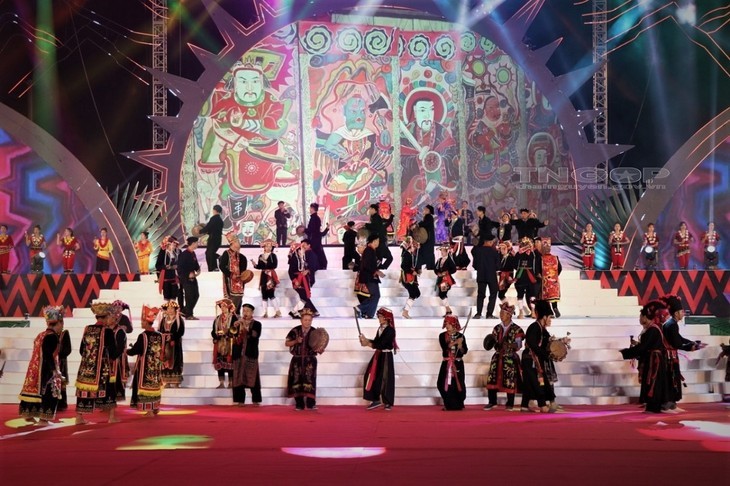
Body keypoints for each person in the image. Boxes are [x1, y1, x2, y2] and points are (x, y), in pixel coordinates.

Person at [619, 301, 671, 413]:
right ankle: (653, 406)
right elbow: (645, 346)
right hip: (653, 358)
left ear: (645, 317)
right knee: (652, 382)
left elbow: (643, 347)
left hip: (654, 361)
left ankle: (653, 407)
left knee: (652, 382)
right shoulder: (652, 329)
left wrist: (626, 353)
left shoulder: (652, 329)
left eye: (640, 316)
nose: (639, 318)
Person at [75, 302, 120, 424]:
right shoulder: (107, 331)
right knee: (109, 389)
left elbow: (81, 350)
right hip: (102, 368)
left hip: (86, 367)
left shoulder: (87, 329)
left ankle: (79, 417)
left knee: (83, 390)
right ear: (106, 317)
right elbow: (113, 352)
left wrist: (89, 359)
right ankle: (111, 417)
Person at [18, 305, 64, 423]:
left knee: (32, 391)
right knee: (48, 393)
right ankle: (44, 420)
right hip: (45, 370)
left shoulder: (41, 335)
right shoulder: (52, 336)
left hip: (34, 369)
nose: (62, 327)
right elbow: (48, 355)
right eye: (62, 324)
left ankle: (28, 415)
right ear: (58, 323)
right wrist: (55, 370)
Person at [661, 294, 705, 411]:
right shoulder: (672, 325)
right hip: (670, 357)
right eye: (681, 311)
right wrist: (692, 347)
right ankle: (669, 405)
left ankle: (672, 404)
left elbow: (679, 338)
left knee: (673, 378)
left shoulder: (670, 323)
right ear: (676, 313)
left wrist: (692, 343)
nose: (683, 313)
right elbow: (677, 344)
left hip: (669, 357)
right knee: (672, 379)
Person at [484, 302, 524, 410]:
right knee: (492, 377)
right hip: (497, 356)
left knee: (510, 379)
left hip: (510, 357)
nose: (501, 315)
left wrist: (510, 345)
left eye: (503, 313)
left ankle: (510, 403)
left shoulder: (516, 329)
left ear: (509, 315)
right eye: (501, 313)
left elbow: (519, 345)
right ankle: (492, 401)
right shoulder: (497, 328)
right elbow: (492, 342)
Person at [519, 300, 556, 413]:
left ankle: (524, 405)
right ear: (544, 317)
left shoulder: (542, 329)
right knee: (537, 381)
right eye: (549, 317)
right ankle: (542, 405)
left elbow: (548, 343)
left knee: (529, 382)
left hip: (534, 359)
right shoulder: (534, 327)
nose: (550, 320)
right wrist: (545, 355)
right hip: (530, 359)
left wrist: (561, 342)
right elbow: (533, 344)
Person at [128, 305, 164, 416]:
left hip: (145, 367)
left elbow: (136, 350)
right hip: (155, 366)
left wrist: (127, 351)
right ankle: (155, 407)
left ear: (147, 323)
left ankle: (149, 410)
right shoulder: (159, 335)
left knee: (146, 387)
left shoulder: (143, 336)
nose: (141, 323)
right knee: (154, 386)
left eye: (143, 321)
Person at [360, 307, 397, 410]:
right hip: (379, 354)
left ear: (386, 318)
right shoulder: (380, 329)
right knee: (371, 375)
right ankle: (375, 399)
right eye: (379, 316)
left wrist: (368, 344)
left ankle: (387, 401)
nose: (379, 318)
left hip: (386, 356)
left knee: (386, 378)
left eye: (380, 316)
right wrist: (366, 340)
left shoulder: (390, 330)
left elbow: (382, 344)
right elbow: (377, 341)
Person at [285, 309, 320, 410]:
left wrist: (320, 348)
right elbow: (287, 343)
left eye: (309, 320)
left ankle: (311, 403)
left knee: (310, 380)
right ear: (301, 320)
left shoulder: (315, 332)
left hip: (310, 360)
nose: (307, 322)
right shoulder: (295, 331)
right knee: (296, 380)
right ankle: (299, 404)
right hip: (297, 360)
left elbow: (319, 345)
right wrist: (296, 341)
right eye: (305, 320)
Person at [232, 303, 262, 406]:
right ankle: (240, 400)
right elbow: (231, 334)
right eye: (244, 310)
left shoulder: (257, 324)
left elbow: (254, 335)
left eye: (248, 311)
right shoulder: (237, 323)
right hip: (239, 354)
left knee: (253, 377)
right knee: (238, 377)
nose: (245, 313)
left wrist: (244, 326)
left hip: (250, 354)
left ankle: (256, 400)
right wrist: (235, 326)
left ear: (252, 312)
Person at [437, 315, 468, 411]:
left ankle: (459, 404)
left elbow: (464, 351)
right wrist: (455, 342)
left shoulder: (461, 336)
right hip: (447, 363)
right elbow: (445, 347)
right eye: (446, 323)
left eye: (449, 324)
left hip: (458, 363)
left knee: (458, 383)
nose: (447, 326)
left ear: (454, 324)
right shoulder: (442, 336)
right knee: (442, 383)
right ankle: (448, 404)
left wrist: (460, 345)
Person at [354, 234, 384, 319]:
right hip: (369, 277)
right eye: (377, 241)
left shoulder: (371, 250)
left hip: (370, 276)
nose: (378, 242)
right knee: (376, 295)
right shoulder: (369, 251)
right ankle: (361, 309)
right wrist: (376, 271)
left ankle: (367, 313)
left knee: (375, 295)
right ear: (373, 241)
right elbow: (366, 265)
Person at [219, 231, 248, 315]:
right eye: (237, 242)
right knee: (231, 297)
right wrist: (231, 275)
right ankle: (229, 314)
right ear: (233, 243)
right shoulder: (226, 254)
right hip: (230, 279)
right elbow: (222, 266)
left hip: (239, 281)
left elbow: (243, 270)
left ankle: (237, 313)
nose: (239, 244)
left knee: (239, 296)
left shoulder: (242, 257)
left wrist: (243, 276)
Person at [212, 299, 238, 389]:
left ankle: (231, 383)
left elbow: (236, 330)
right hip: (220, 343)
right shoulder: (217, 319)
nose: (222, 308)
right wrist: (216, 336)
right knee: (219, 362)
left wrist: (228, 333)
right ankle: (221, 382)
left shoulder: (233, 318)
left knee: (230, 363)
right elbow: (213, 331)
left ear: (229, 307)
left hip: (229, 343)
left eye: (224, 306)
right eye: (221, 307)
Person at [471, 235, 500, 319]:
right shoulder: (494, 252)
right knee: (493, 294)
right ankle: (489, 314)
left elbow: (474, 265)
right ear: (490, 242)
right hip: (492, 276)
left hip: (481, 276)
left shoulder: (478, 251)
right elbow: (498, 266)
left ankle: (478, 313)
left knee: (480, 295)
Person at [288, 241, 318, 318]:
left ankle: (294, 312)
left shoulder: (304, 258)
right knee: (304, 297)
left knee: (304, 297)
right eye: (300, 249)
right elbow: (290, 271)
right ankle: (294, 311)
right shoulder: (294, 259)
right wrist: (294, 280)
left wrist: (307, 270)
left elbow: (313, 266)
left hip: (304, 280)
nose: (302, 250)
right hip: (297, 279)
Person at [158, 301, 185, 388]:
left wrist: (172, 337)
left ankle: (176, 382)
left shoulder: (179, 319)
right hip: (165, 343)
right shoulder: (163, 320)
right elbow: (160, 331)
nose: (170, 310)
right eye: (168, 308)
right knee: (165, 361)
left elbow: (181, 332)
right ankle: (167, 382)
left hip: (175, 344)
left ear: (175, 309)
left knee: (175, 361)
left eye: (172, 308)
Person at [514, 237, 542, 318]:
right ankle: (532, 311)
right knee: (532, 294)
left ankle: (521, 313)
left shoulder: (519, 253)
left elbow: (515, 265)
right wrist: (536, 274)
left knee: (520, 295)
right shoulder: (533, 253)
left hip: (521, 275)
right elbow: (535, 266)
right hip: (530, 276)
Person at [109, 302, 131, 404]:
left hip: (118, 356)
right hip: (109, 357)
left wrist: (113, 357)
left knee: (118, 375)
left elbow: (130, 329)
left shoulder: (120, 329)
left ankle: (114, 399)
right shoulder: (106, 329)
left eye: (119, 307)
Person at [254, 239, 281, 318]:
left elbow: (274, 265)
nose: (268, 248)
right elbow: (260, 266)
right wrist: (255, 265)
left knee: (271, 294)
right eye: (267, 246)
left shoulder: (273, 256)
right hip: (264, 276)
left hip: (270, 276)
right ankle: (265, 312)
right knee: (264, 294)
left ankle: (278, 311)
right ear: (264, 247)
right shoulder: (261, 256)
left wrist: (266, 262)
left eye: (270, 246)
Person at [178, 237, 201, 320]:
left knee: (196, 295)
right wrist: (188, 274)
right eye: (197, 243)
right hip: (186, 279)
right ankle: (189, 314)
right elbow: (180, 268)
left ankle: (185, 311)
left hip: (193, 278)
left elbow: (195, 264)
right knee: (189, 296)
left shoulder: (193, 253)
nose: (198, 244)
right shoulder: (184, 254)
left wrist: (198, 269)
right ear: (193, 243)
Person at [366, 203, 394, 269]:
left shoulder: (376, 217)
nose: (369, 210)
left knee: (385, 257)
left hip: (380, 241)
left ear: (374, 209)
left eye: (370, 209)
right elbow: (386, 223)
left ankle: (380, 268)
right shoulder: (375, 217)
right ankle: (380, 269)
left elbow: (376, 227)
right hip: (379, 241)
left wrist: (366, 225)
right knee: (381, 257)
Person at [540, 238, 563, 318]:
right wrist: (555, 275)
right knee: (553, 296)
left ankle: (550, 312)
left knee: (546, 297)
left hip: (545, 280)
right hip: (554, 280)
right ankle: (555, 308)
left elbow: (539, 269)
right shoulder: (555, 258)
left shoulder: (541, 258)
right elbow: (560, 268)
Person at [198, 204, 224, 271]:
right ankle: (216, 264)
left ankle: (213, 268)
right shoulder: (220, 220)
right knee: (210, 253)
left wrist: (200, 231)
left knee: (209, 253)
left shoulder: (214, 218)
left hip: (213, 239)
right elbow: (212, 229)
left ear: (214, 210)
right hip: (218, 239)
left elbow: (208, 227)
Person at [400, 237, 421, 319]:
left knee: (416, 293)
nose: (414, 248)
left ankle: (406, 309)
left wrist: (417, 271)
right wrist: (412, 272)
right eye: (414, 246)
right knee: (413, 293)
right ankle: (405, 311)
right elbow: (403, 266)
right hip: (407, 277)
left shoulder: (411, 255)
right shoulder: (406, 254)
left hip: (411, 277)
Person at [155, 236, 181, 303]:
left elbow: (181, 263)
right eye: (173, 244)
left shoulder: (177, 252)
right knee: (167, 298)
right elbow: (157, 265)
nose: (174, 246)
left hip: (175, 278)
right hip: (166, 279)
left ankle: (173, 309)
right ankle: (168, 309)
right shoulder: (163, 252)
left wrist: (177, 266)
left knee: (173, 298)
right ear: (168, 244)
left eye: (175, 244)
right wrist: (165, 267)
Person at [306, 202, 330, 270]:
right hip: (316, 241)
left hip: (314, 242)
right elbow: (318, 232)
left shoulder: (314, 218)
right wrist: (326, 229)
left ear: (312, 209)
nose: (309, 209)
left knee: (317, 257)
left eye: (310, 208)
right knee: (320, 257)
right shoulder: (316, 218)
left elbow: (312, 230)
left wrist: (304, 230)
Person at [434, 245, 457, 317]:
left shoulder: (449, 260)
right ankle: (448, 311)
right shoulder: (439, 260)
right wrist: (438, 273)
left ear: (446, 252)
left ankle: (448, 310)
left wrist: (446, 272)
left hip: (446, 280)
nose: (442, 252)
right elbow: (435, 269)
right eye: (441, 251)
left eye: (443, 251)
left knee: (442, 294)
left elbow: (454, 269)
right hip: (440, 279)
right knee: (442, 294)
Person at [57, 321, 72, 411]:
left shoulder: (64, 334)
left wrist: (58, 355)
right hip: (52, 361)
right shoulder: (50, 334)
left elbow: (68, 349)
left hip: (61, 362)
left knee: (61, 383)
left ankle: (62, 404)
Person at [416, 205, 436, 270]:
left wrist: (417, 225)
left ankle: (429, 266)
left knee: (427, 252)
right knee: (428, 252)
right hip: (428, 239)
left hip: (428, 239)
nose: (423, 210)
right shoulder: (428, 217)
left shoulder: (428, 216)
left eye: (425, 209)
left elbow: (424, 224)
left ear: (428, 210)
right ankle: (429, 265)